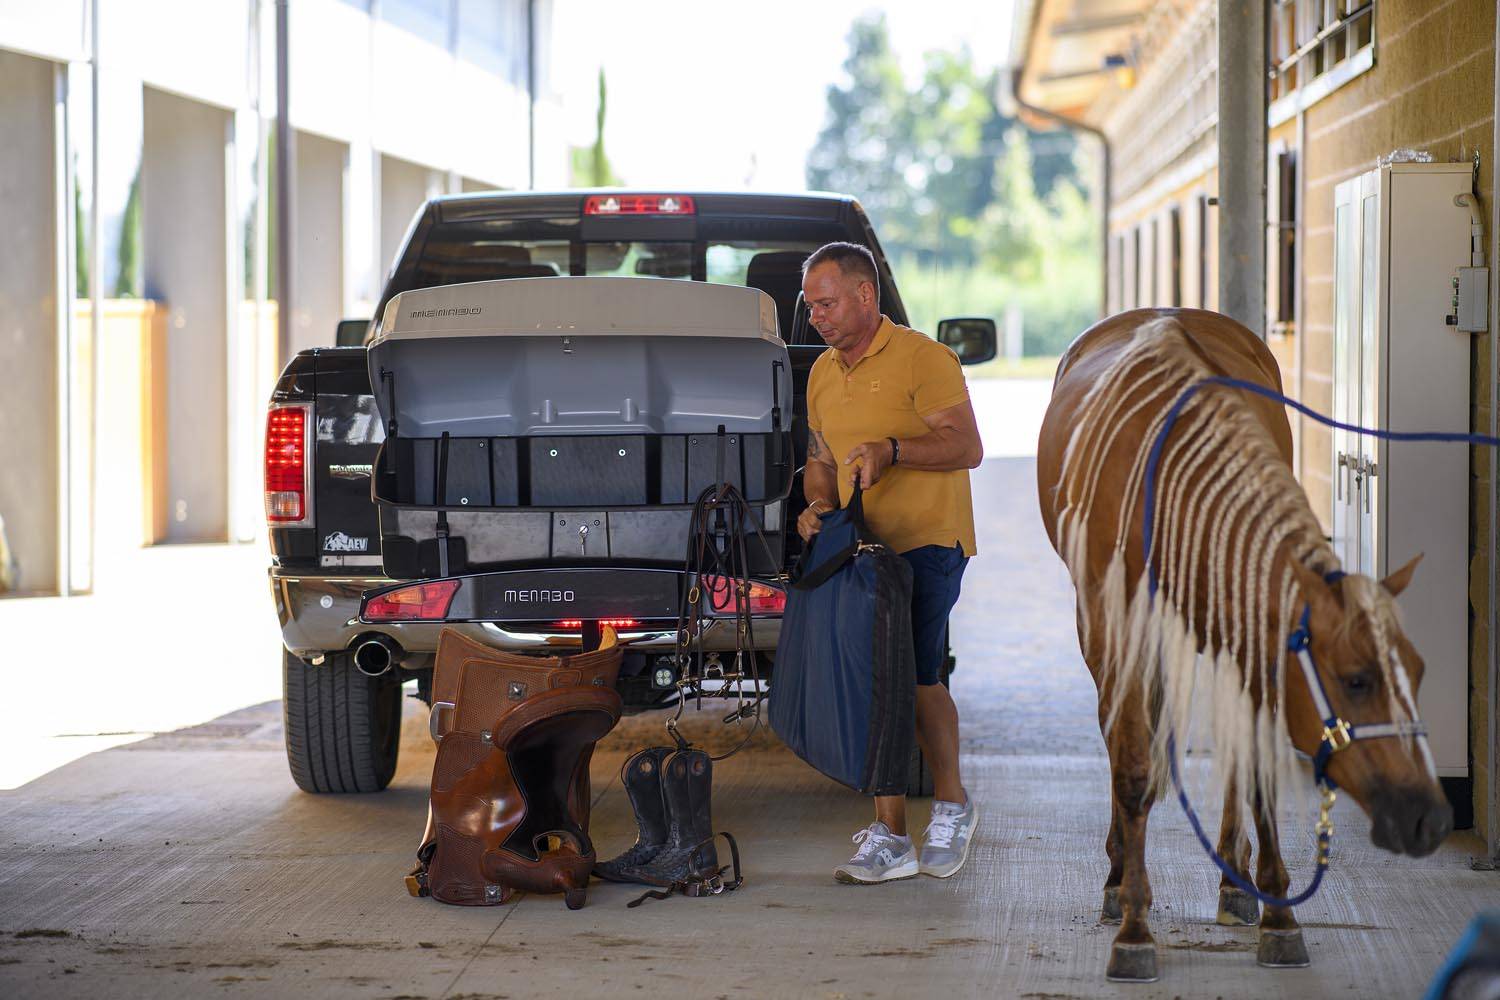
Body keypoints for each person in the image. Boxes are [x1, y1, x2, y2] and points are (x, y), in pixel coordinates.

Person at [797, 241, 983, 884]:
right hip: (861, 550)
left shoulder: (923, 358)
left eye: (827, 303)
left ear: (865, 295)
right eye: (811, 306)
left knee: (916, 674)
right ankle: (891, 835)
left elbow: (967, 444)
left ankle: (953, 806)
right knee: (875, 681)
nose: (817, 316)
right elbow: (820, 459)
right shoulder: (822, 372)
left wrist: (894, 448)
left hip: (928, 542)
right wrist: (817, 504)